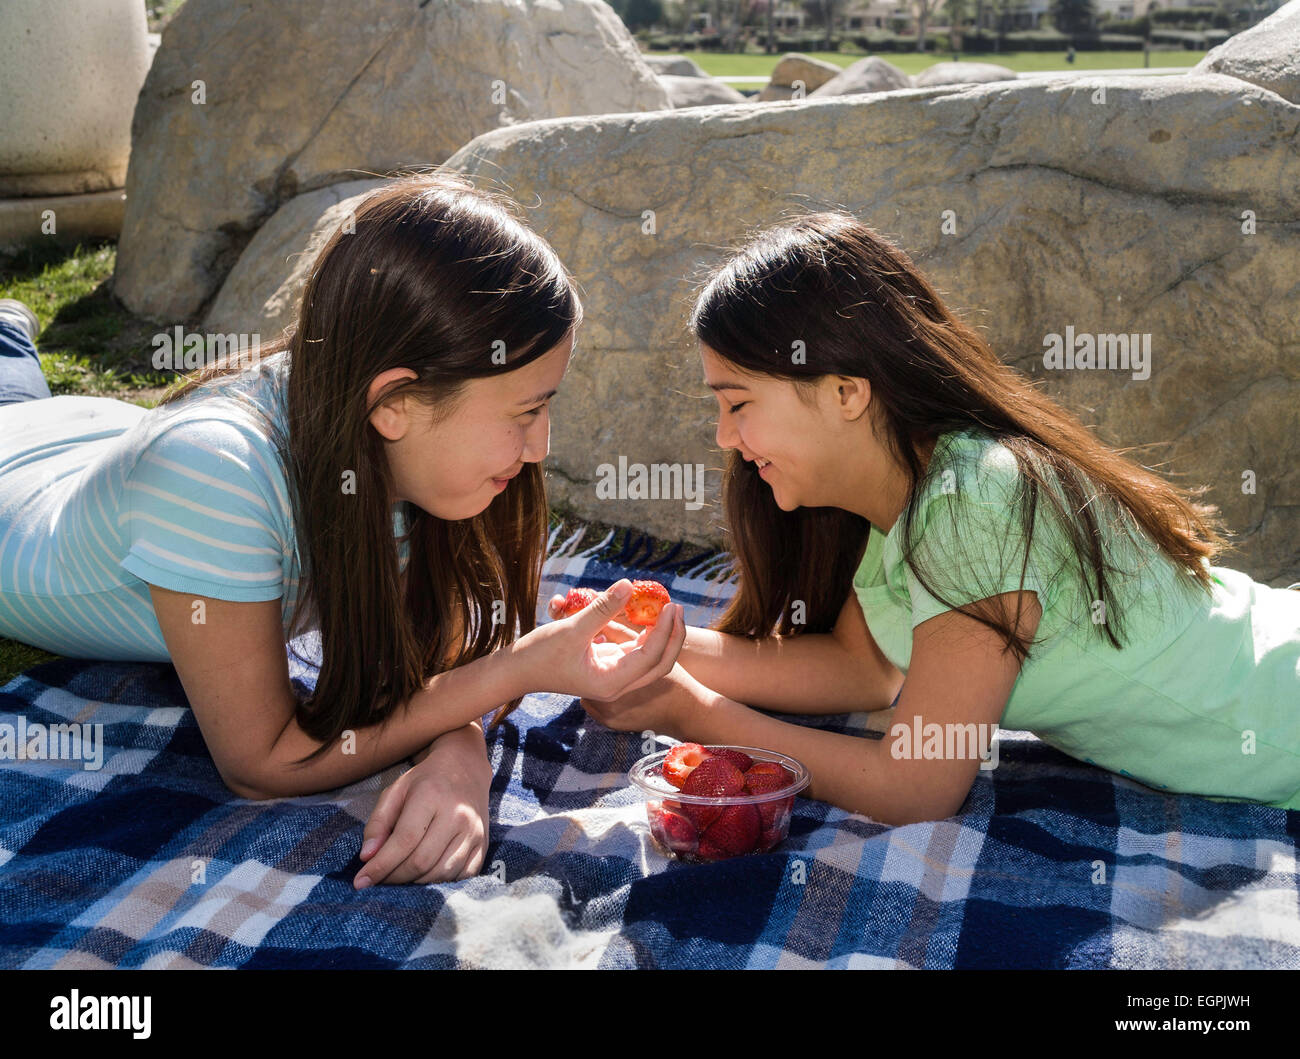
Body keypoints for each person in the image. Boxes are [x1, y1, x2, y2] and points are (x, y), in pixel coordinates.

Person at [0, 172, 685, 886]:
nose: (542, 445)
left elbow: (439, 667)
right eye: (524, 412)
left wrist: (459, 755)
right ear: (396, 403)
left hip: (88, 435)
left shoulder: (390, 440)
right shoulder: (211, 476)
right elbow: (264, 763)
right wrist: (518, 669)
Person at [564, 211, 1300, 823]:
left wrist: (694, 714)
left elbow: (916, 785)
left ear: (847, 393)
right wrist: (654, 643)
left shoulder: (973, 501)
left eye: (738, 403)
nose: (724, 437)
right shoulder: (906, 494)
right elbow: (862, 668)